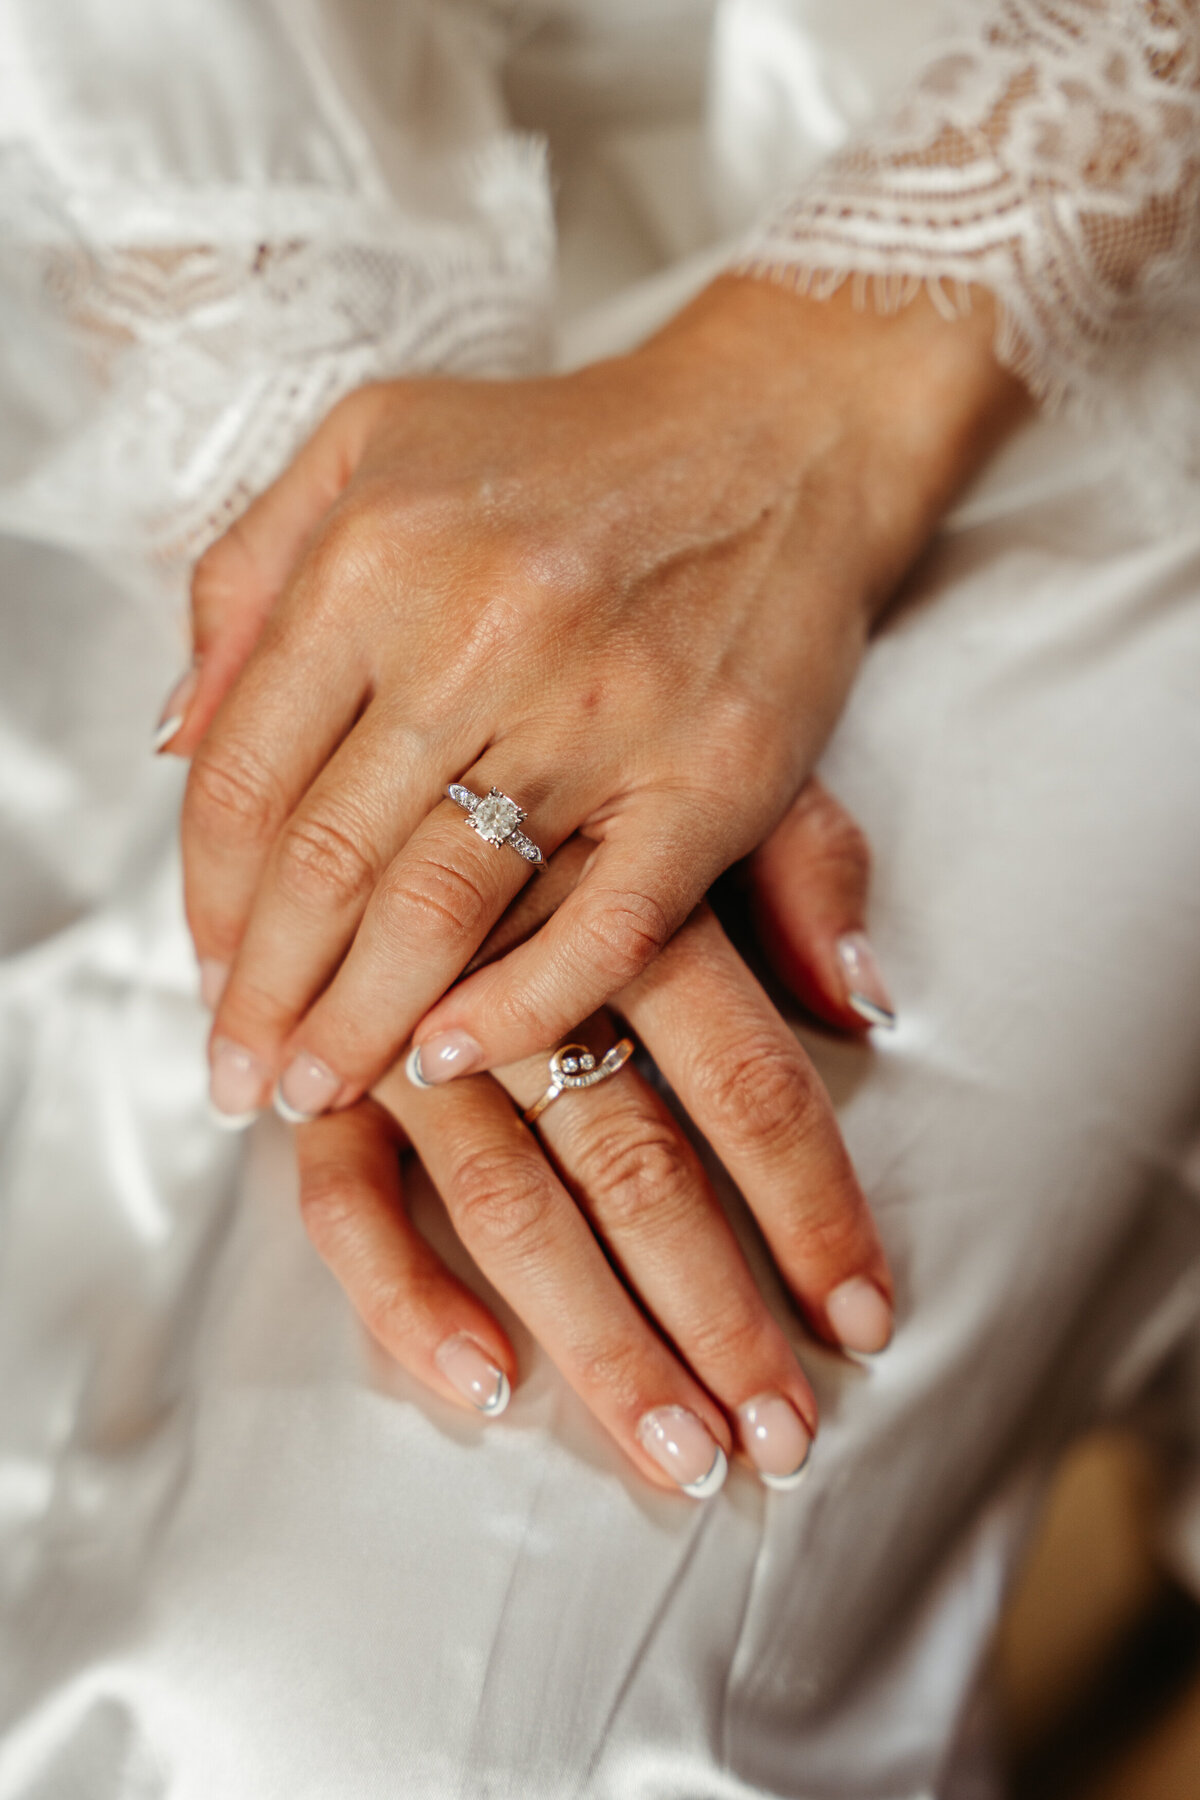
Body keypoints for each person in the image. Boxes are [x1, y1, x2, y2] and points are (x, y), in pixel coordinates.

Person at [2, 2, 1199, 1795]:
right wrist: (395, 640)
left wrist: (833, 379)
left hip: (1105, 271)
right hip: (213, 241)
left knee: (352, 1716)